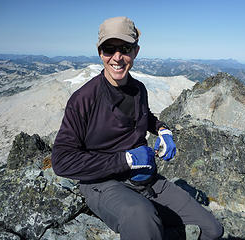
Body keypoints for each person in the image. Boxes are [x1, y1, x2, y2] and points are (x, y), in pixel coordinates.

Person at [52, 16, 223, 240]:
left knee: (212, 229)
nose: (117, 57)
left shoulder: (139, 89)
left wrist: (162, 130)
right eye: (108, 49)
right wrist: (126, 159)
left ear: (136, 51)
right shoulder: (83, 99)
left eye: (125, 48)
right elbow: (62, 161)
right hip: (103, 183)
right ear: (99, 52)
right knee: (142, 216)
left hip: (146, 180)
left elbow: (144, 116)